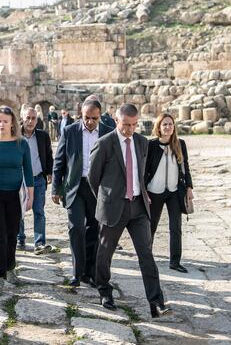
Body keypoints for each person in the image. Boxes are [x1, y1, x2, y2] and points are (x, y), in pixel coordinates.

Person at [88, 104, 168, 318]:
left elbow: (141, 173)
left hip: (138, 207)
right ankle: (105, 291)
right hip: (114, 207)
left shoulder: (142, 142)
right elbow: (93, 178)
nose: (130, 129)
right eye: (126, 125)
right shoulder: (104, 144)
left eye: (134, 125)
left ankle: (156, 302)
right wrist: (106, 200)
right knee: (105, 253)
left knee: (147, 255)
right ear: (116, 120)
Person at [52, 99, 113, 287]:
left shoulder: (108, 132)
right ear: (81, 114)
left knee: (94, 230)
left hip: (97, 188)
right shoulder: (70, 131)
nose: (90, 122)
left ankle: (90, 272)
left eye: (94, 118)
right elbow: (59, 161)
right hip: (75, 187)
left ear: (100, 116)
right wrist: (56, 188)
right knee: (76, 228)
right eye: (86, 118)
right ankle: (77, 273)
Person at [0, 106, 34, 295]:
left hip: (14, 194)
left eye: (5, 121)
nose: (1, 124)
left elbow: (28, 171)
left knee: (12, 234)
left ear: (12, 123)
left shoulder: (21, 144)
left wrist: (31, 196)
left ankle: (10, 268)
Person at [145, 112, 193, 273]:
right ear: (159, 127)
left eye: (170, 124)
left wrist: (189, 188)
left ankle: (175, 261)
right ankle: (147, 259)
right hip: (154, 191)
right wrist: (143, 191)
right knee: (151, 226)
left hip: (174, 191)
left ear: (174, 127)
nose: (168, 127)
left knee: (176, 227)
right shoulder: (150, 145)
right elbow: (144, 170)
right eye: (164, 124)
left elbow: (185, 168)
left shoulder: (180, 144)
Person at [18, 105, 53, 254]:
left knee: (39, 211)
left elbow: (49, 155)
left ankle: (39, 243)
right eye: (28, 118)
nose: (31, 121)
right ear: (22, 119)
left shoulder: (43, 136)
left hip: (38, 179)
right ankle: (20, 240)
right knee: (19, 211)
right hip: (20, 180)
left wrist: (49, 172)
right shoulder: (15, 137)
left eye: (34, 118)